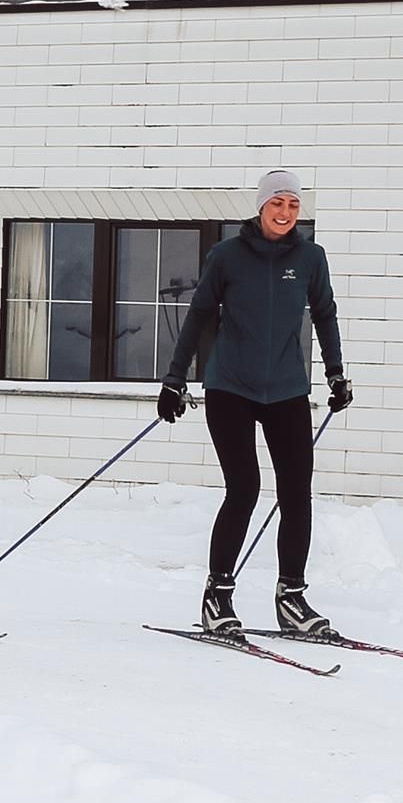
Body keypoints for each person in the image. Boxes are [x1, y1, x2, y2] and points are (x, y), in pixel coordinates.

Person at [159, 167, 350, 639]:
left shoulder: (310, 257)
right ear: (261, 206)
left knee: (296, 493)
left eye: (293, 204)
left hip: (286, 389)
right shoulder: (227, 256)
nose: (285, 212)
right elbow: (199, 315)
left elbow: (324, 314)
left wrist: (335, 372)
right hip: (230, 388)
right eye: (277, 203)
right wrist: (174, 380)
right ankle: (218, 596)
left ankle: (292, 599)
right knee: (244, 488)